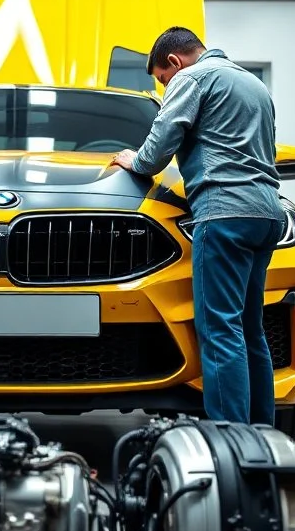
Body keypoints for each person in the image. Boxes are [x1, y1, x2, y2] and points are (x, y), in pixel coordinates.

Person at [110, 27, 285, 426]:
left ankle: (230, 437)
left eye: (162, 80)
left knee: (219, 328)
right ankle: (262, 432)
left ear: (174, 62)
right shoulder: (253, 84)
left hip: (223, 213)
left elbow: (160, 143)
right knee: (249, 327)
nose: (165, 86)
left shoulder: (191, 78)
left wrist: (132, 161)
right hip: (267, 213)